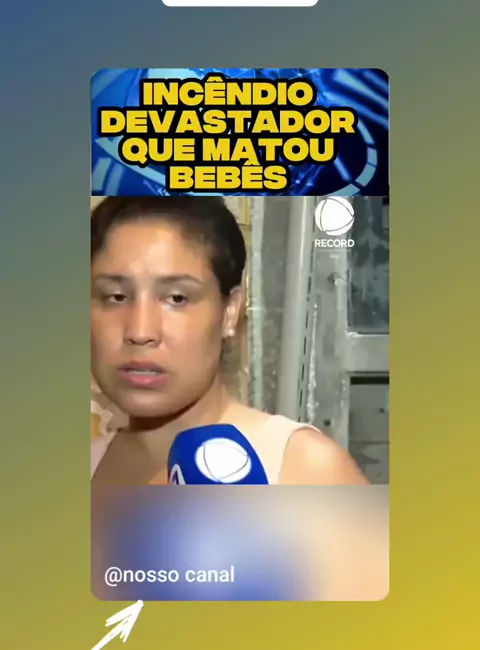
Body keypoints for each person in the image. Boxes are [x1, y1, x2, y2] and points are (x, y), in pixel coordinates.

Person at [91, 196, 367, 486]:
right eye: (115, 297)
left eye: (177, 298)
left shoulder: (305, 468)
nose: (140, 331)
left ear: (230, 311)